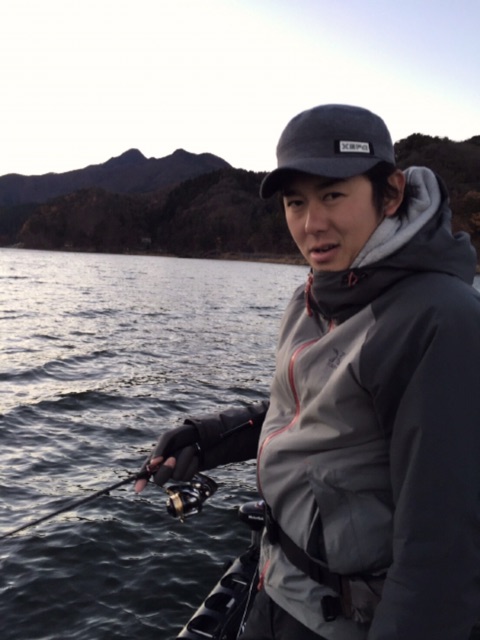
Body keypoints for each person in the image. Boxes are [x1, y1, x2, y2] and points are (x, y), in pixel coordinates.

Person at [135, 104, 480, 639]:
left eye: (333, 195)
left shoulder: (441, 320)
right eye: (296, 202)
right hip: (277, 584)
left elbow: (441, 556)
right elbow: (309, 414)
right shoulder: (312, 297)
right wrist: (207, 438)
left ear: (390, 193)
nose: (311, 223)